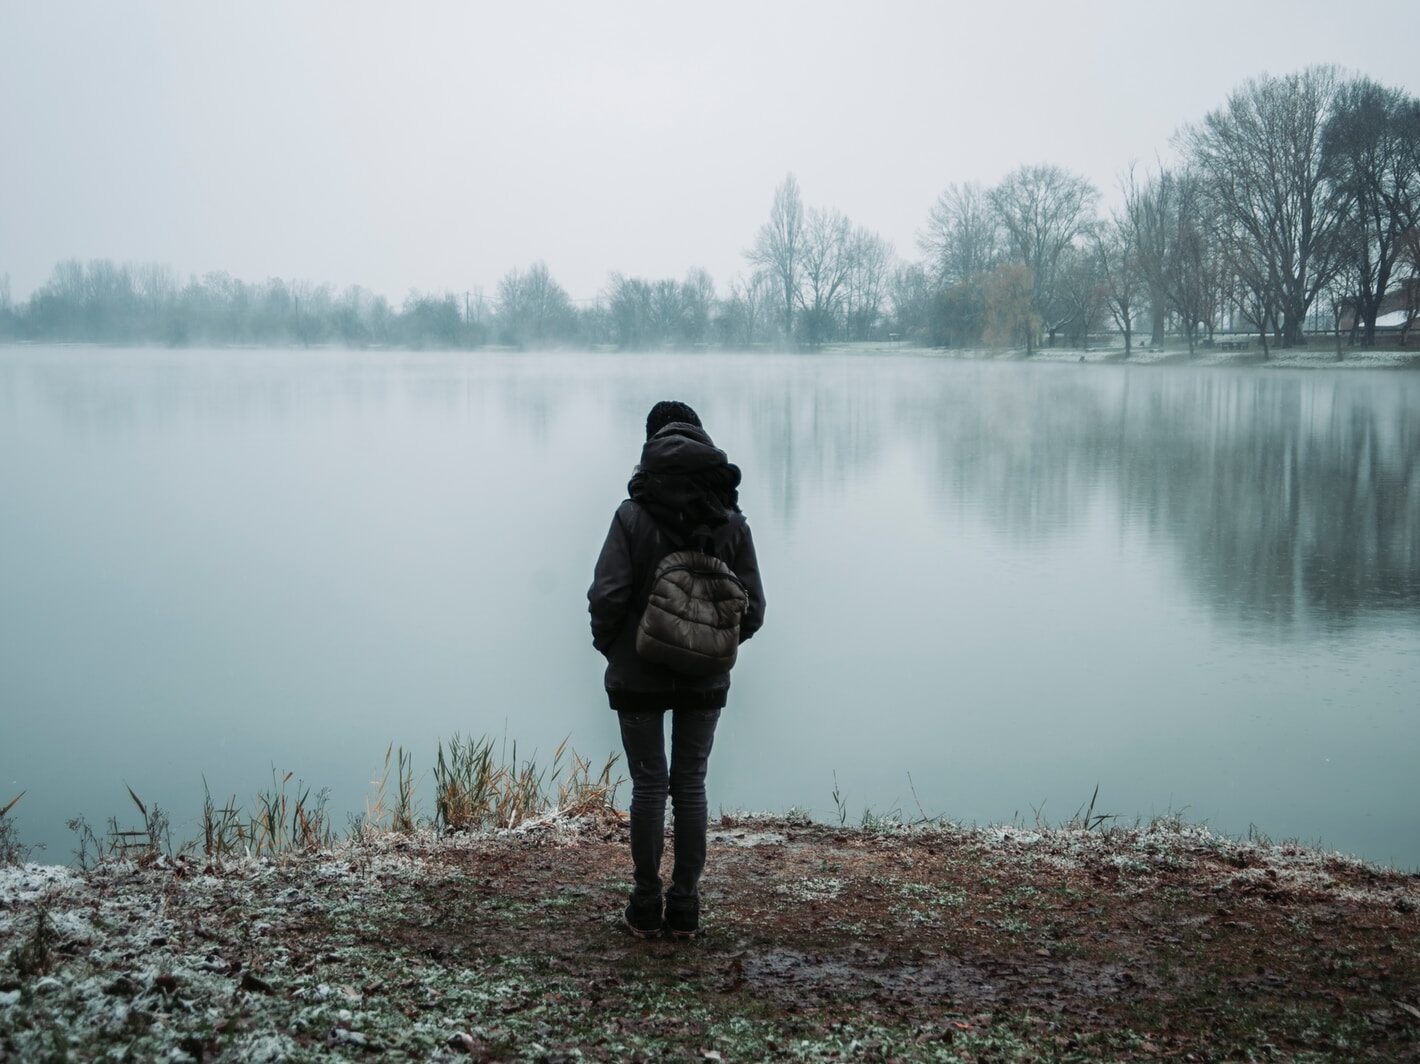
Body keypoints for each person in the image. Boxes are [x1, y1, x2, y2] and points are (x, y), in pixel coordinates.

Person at [588, 401, 766, 940]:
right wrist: (715, 645)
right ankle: (684, 907)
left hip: (637, 671)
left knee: (648, 785)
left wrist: (612, 647)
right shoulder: (730, 521)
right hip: (704, 678)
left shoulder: (631, 515)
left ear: (651, 445)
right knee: (689, 784)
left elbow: (608, 595)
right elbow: (752, 609)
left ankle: (644, 906)